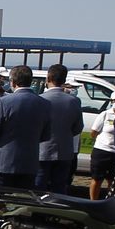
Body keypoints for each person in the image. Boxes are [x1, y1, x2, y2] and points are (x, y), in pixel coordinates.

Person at [0, 65, 50, 195]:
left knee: (0, 203)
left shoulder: (4, 102)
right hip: (29, 163)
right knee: (23, 203)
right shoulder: (44, 103)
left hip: (3, 161)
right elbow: (46, 135)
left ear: (12, 82)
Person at [36, 63, 82, 195]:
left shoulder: (40, 100)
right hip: (64, 151)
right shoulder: (74, 101)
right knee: (59, 188)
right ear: (64, 79)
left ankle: (39, 214)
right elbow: (78, 127)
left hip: (41, 151)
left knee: (39, 187)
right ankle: (55, 214)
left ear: (48, 78)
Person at [87, 92, 115, 200]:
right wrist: (103, 141)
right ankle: (93, 202)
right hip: (102, 150)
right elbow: (93, 132)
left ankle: (110, 201)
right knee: (97, 179)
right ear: (111, 102)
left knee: (113, 180)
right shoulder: (105, 114)